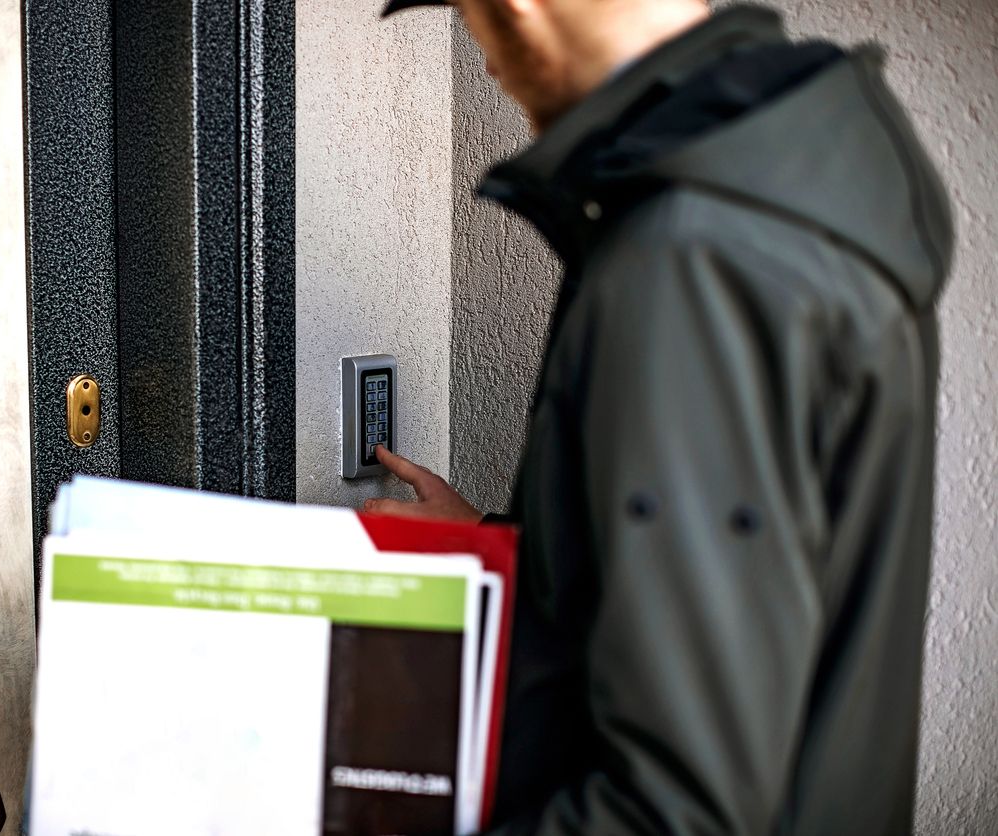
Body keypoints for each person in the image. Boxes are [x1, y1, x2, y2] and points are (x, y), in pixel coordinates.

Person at [366, 1, 953, 833]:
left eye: (471, 14)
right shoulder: (788, 176)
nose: (488, 64)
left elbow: (679, 811)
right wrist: (504, 554)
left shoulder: (695, 256)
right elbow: (748, 581)